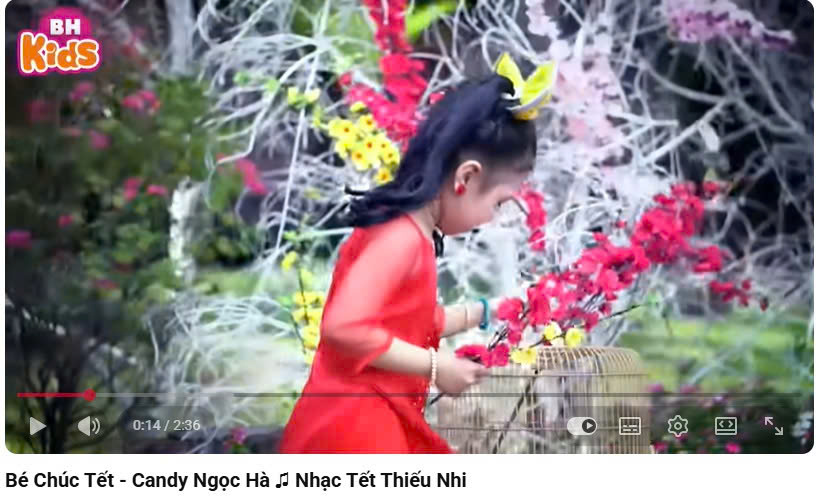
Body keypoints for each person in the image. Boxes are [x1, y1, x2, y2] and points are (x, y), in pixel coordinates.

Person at [278, 68, 541, 453]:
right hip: (355, 429)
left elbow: (407, 324)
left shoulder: (409, 233)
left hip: (366, 419)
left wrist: (492, 310)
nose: (492, 218)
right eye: (498, 203)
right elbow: (345, 327)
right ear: (466, 178)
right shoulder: (400, 238)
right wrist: (437, 367)